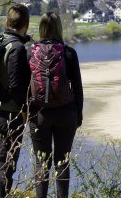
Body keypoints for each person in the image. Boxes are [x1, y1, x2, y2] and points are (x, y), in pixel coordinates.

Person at [28, 12, 83, 198]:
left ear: (41, 28)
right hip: (66, 113)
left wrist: (26, 112)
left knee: (41, 162)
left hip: (39, 114)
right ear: (59, 28)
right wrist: (79, 115)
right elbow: (77, 87)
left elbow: (24, 87)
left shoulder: (30, 52)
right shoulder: (68, 52)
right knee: (62, 161)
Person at [0, 4, 31, 198]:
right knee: (5, 166)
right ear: (25, 25)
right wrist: (25, 110)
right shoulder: (17, 48)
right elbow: (15, 86)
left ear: (6, 22)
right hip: (9, 115)